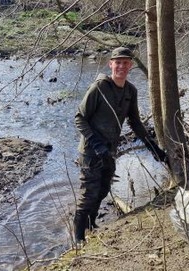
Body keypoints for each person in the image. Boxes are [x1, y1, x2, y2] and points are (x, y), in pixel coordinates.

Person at [73, 47, 167, 245]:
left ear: (130, 65)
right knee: (88, 196)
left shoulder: (131, 91)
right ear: (111, 64)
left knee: (103, 189)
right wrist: (97, 144)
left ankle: (92, 225)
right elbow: (80, 118)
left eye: (125, 62)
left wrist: (154, 148)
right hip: (91, 152)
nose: (121, 66)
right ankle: (79, 239)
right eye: (118, 62)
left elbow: (135, 123)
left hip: (110, 151)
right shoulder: (98, 88)